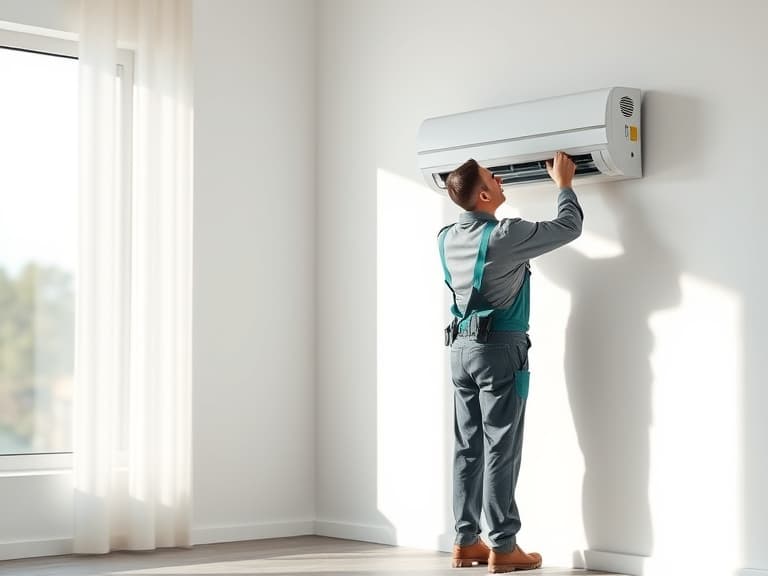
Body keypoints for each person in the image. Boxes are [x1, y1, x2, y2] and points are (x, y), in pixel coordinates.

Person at [438, 152, 583, 573]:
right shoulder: (506, 235)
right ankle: (503, 547)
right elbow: (569, 227)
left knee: (467, 449)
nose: (500, 179)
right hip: (500, 350)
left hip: (459, 351)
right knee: (501, 447)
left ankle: (466, 542)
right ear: (484, 194)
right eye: (492, 177)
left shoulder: (445, 236)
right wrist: (564, 185)